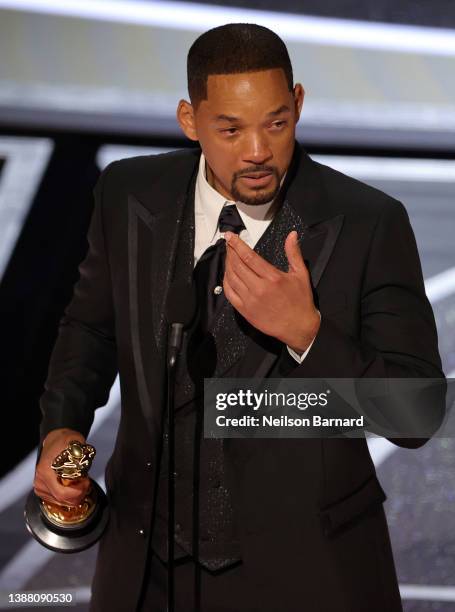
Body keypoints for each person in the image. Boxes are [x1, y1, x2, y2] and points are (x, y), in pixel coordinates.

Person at [33, 23, 445, 612]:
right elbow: (91, 328)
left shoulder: (368, 222)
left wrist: (308, 334)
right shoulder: (127, 193)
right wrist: (61, 427)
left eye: (276, 123)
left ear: (298, 104)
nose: (257, 150)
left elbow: (418, 413)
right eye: (230, 129)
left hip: (311, 578)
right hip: (144, 571)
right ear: (189, 119)